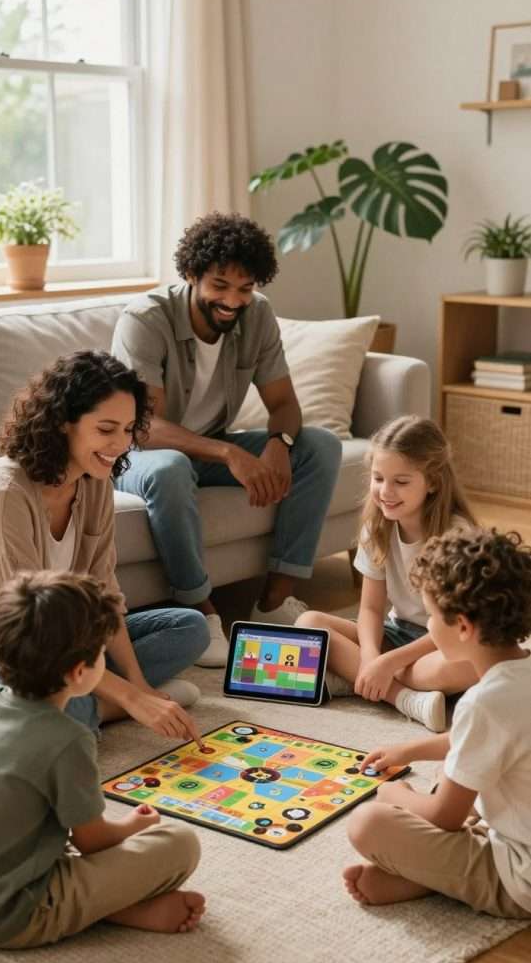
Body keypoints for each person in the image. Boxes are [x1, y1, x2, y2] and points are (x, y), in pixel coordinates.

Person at [111, 211, 342, 667]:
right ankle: (202, 611)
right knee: (173, 467)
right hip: (139, 453)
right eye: (220, 285)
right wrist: (229, 452)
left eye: (245, 288)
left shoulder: (257, 315)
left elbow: (285, 405)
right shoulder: (146, 319)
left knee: (320, 446)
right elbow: (142, 426)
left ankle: (273, 602)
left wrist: (281, 446)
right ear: (192, 275)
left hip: (209, 445)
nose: (233, 301)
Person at [0, 349, 210, 738]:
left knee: (190, 628)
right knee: (35, 718)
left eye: (128, 429)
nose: (121, 445)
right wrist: (133, 699)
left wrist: (139, 686)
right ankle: (100, 709)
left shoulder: (94, 479)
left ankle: (98, 704)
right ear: (62, 423)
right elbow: (30, 630)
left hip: (63, 644)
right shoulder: (3, 494)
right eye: (106, 430)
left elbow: (105, 596)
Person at [0, 570, 205, 948]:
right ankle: (108, 909)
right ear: (79, 672)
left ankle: (107, 905)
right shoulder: (67, 739)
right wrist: (132, 825)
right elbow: (94, 843)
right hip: (14, 916)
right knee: (181, 843)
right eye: (102, 653)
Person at [342, 525, 531, 920]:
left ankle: (441, 879)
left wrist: (398, 795)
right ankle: (431, 874)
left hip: (521, 878)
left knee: (368, 822)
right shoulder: (520, 673)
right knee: (464, 774)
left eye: (430, 615)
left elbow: (446, 816)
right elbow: (494, 739)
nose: (427, 627)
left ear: (463, 626)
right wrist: (410, 749)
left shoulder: (484, 702)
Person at [297, 416, 477, 731]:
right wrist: (370, 656)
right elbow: (370, 608)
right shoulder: (377, 527)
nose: (386, 492)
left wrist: (389, 662)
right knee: (309, 624)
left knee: (465, 665)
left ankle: (357, 678)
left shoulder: (456, 535)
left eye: (401, 482)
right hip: (396, 634)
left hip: (441, 643)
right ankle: (403, 698)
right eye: (378, 478)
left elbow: (455, 627)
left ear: (432, 481)